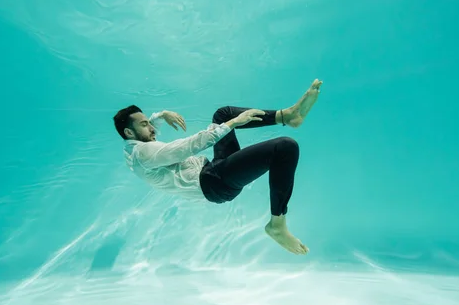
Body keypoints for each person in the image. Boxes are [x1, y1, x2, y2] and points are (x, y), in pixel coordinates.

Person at [114, 79, 323, 255]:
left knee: (222, 113)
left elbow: (146, 128)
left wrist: (160, 115)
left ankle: (289, 116)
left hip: (213, 171)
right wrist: (233, 124)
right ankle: (277, 225)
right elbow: (187, 147)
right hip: (215, 183)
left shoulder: (132, 145)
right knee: (285, 147)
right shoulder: (144, 154)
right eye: (144, 125)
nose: (151, 128)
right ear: (129, 133)